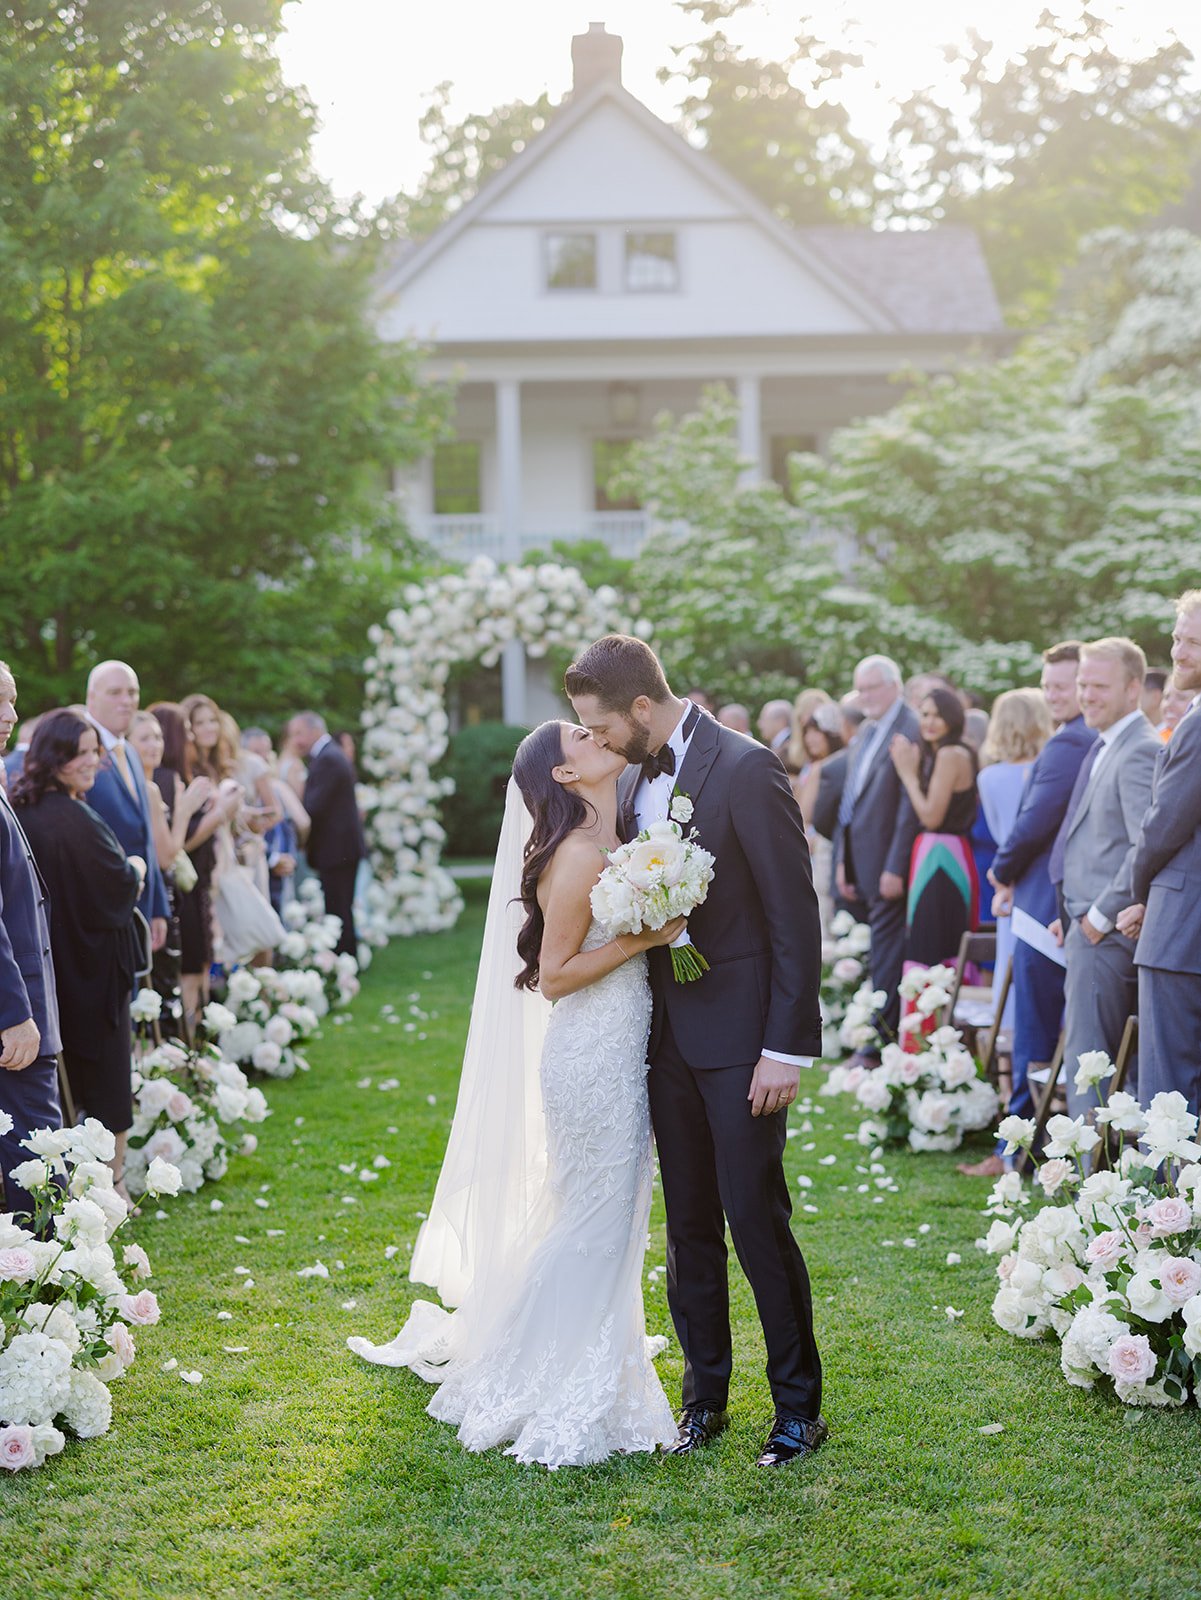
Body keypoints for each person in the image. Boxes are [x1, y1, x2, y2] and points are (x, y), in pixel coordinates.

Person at [349, 720, 684, 1467]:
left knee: (606, 1211)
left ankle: (585, 1348)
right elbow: (556, 975)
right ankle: (550, 1367)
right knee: (596, 1214)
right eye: (578, 735)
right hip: (592, 1051)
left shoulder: (619, 836)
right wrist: (643, 940)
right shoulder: (572, 855)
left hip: (621, 1041)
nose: (595, 734)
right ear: (564, 776)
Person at [565, 635, 826, 1469]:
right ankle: (701, 1400)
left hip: (743, 1041)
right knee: (687, 1232)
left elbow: (794, 918)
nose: (599, 743)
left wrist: (783, 1048)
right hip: (662, 1036)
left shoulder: (747, 770)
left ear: (642, 707)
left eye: (603, 727)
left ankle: (797, 1410)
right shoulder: (632, 775)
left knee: (755, 1221)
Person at [962, 644, 1096, 1179]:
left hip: (1045, 911)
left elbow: (1034, 824)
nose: (1058, 694)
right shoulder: (1078, 740)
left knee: (1033, 1035)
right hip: (1051, 904)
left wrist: (1002, 871)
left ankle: (1018, 1150)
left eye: (1066, 684)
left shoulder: (1069, 744)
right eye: (1051, 684)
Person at [13, 711, 142, 1197]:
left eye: (95, 752)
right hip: (93, 965)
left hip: (51, 965)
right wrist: (136, 866)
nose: (93, 762)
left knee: (66, 1079)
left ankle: (74, 1179)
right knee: (109, 1070)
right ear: (56, 757)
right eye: (81, 753)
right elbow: (117, 883)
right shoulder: (75, 819)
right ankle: (116, 1184)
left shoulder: (24, 809)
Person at [1048, 638, 1159, 1121]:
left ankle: (1081, 1188)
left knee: (1091, 1066)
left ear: (1133, 688)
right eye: (1082, 684)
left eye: (1098, 686)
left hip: (1106, 935)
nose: (1086, 695)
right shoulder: (1108, 743)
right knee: (1088, 1061)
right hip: (1083, 926)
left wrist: (1096, 915)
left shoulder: (1138, 750)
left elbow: (1145, 843)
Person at [1117, 592, 1201, 1111]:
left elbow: (1162, 825)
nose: (1179, 652)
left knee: (1168, 1091)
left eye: (1193, 642)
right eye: (1177, 638)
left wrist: (1139, 895)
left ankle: (1167, 1197)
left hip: (1179, 929)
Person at [834, 656, 921, 1051]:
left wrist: (895, 866)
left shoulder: (912, 728)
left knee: (888, 952)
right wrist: (841, 860)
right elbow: (849, 804)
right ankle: (872, 1034)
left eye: (872, 688)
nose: (865, 697)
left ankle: (880, 1041)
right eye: (860, 689)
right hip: (859, 860)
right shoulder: (867, 732)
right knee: (873, 951)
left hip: (889, 863)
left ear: (894, 686)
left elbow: (908, 808)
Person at [0, 663, 63, 1214]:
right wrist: (15, 1013)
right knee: (35, 1150)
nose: (10, 715)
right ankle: (49, 1283)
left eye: (14, 700)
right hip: (13, 1019)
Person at [976, 688, 1053, 1031]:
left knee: (1008, 966)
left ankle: (1006, 1049)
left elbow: (997, 832)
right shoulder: (1049, 770)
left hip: (1007, 877)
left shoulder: (989, 777)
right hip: (1042, 877)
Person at [889, 687, 979, 975]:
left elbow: (931, 817)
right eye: (925, 714)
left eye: (938, 715)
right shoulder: (944, 752)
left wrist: (907, 774)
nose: (929, 721)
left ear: (952, 718)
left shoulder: (951, 754)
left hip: (942, 857)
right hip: (937, 854)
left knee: (931, 949)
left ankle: (932, 1019)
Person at [83, 660, 169, 955]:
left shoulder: (130, 752)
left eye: (132, 692)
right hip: (99, 910)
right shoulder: (80, 754)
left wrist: (158, 906)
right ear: (91, 697)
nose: (127, 701)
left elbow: (144, 834)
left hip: (140, 905)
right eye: (115, 692)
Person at [178, 694, 240, 1017]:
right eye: (198, 722)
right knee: (196, 962)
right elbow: (186, 838)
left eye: (212, 720)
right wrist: (222, 813)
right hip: (193, 876)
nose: (207, 728)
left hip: (215, 869)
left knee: (208, 958)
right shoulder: (186, 771)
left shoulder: (213, 766)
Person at [287, 711, 366, 958]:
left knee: (338, 908)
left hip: (337, 850)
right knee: (340, 906)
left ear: (314, 731)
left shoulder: (328, 759)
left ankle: (344, 961)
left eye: (299, 733)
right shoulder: (328, 755)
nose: (295, 740)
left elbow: (314, 806)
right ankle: (347, 959)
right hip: (339, 849)